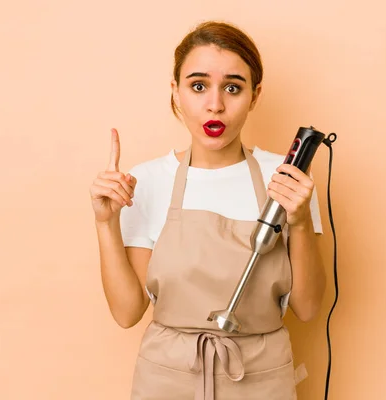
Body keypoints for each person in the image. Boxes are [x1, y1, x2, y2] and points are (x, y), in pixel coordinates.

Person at [90, 20, 325, 400]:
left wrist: (297, 221)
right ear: (176, 92)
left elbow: (309, 308)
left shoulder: (285, 179)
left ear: (255, 94)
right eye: (198, 86)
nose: (215, 104)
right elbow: (127, 312)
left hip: (260, 377)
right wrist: (106, 223)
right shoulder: (145, 181)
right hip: (166, 378)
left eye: (233, 87)